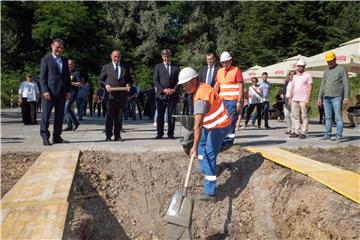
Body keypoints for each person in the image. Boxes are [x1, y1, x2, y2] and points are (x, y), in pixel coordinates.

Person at [178, 67, 231, 201]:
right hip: (210, 124)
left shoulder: (201, 96)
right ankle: (205, 168)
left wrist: (193, 147)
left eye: (187, 84)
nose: (185, 87)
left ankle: (210, 191)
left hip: (220, 125)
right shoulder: (200, 87)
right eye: (183, 85)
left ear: (194, 80)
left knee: (208, 152)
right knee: (202, 145)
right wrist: (197, 145)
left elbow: (198, 125)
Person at [39, 38, 71, 146]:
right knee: (46, 116)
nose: (59, 49)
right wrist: (45, 91)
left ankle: (57, 137)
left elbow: (67, 77)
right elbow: (42, 78)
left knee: (59, 116)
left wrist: (68, 91)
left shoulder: (65, 60)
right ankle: (45, 137)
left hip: (62, 93)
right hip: (50, 93)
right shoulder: (46, 59)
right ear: (52, 46)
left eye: (61, 47)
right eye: (57, 47)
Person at [99, 50, 133, 141]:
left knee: (119, 116)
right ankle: (108, 136)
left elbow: (130, 80)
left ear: (120, 57)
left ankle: (117, 136)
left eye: (118, 57)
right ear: (111, 56)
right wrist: (106, 85)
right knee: (109, 116)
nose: (116, 58)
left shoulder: (125, 67)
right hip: (110, 95)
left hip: (122, 96)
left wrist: (128, 84)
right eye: (115, 56)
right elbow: (101, 80)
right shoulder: (106, 67)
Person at [317, 51, 350, 142]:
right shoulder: (326, 71)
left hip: (337, 96)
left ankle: (339, 136)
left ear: (335, 59)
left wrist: (346, 96)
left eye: (331, 60)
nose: (329, 62)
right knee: (327, 117)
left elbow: (346, 83)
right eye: (328, 61)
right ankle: (327, 134)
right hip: (326, 97)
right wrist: (319, 97)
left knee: (338, 117)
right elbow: (322, 85)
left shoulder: (341, 69)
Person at [214, 51, 244, 148]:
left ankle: (229, 141)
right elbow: (217, 85)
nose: (225, 64)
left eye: (226, 62)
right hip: (222, 100)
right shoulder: (219, 71)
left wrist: (239, 101)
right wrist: (213, 97)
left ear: (230, 61)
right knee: (222, 121)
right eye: (223, 62)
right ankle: (223, 139)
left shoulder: (236, 70)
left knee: (231, 121)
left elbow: (241, 87)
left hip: (232, 101)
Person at [153, 49, 180, 139]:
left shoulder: (176, 67)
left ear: (170, 56)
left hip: (172, 94)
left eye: (168, 56)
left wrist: (174, 89)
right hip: (161, 95)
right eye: (164, 56)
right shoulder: (158, 67)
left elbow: (179, 81)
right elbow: (155, 80)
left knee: (171, 115)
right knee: (160, 115)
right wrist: (163, 90)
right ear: (162, 57)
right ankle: (159, 133)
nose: (166, 58)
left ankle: (170, 134)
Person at [289, 59, 313, 139]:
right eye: (298, 66)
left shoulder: (308, 75)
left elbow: (310, 87)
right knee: (295, 116)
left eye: (301, 66)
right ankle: (297, 131)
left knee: (304, 116)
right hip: (295, 99)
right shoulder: (294, 77)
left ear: (304, 67)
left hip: (303, 99)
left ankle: (303, 132)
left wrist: (308, 99)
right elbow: (292, 88)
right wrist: (290, 98)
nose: (300, 68)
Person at [63, 59, 81, 131]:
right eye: (68, 64)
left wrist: (70, 83)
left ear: (73, 65)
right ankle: (70, 125)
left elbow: (79, 84)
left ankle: (75, 122)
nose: (69, 66)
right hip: (64, 93)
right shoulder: (64, 73)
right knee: (65, 109)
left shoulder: (76, 73)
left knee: (66, 108)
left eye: (71, 64)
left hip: (72, 93)